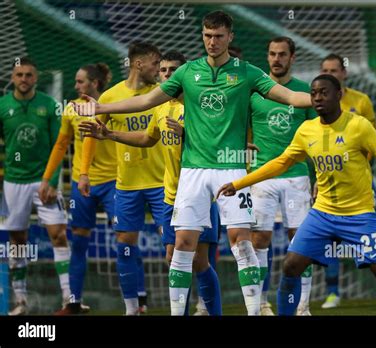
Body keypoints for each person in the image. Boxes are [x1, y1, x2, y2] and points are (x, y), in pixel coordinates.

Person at [74, 10, 312, 315]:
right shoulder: (187, 73)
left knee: (241, 241)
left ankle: (254, 311)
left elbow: (291, 97)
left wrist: (321, 100)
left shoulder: (247, 72)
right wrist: (101, 107)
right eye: (207, 36)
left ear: (230, 37)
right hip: (193, 172)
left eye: (218, 36)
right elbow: (147, 101)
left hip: (231, 169)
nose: (212, 42)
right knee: (183, 245)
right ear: (202, 36)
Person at [217, 74, 376, 316]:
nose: (318, 97)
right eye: (314, 93)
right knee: (291, 266)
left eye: (324, 92)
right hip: (323, 214)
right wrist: (240, 183)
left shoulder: (358, 126)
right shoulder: (307, 130)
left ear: (339, 95)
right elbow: (281, 163)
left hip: (360, 214)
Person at [79, 51, 223, 316]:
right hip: (171, 194)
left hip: (198, 193)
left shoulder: (202, 105)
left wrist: (188, 134)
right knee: (174, 258)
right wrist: (110, 134)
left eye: (173, 70)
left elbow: (217, 146)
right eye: (164, 70)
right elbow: (147, 139)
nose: (167, 74)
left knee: (199, 261)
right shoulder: (159, 105)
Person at [79, 42, 164, 315]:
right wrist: (84, 171)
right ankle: (132, 309)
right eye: (155, 64)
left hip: (163, 181)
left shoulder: (162, 93)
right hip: (127, 184)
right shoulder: (112, 96)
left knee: (176, 245)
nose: (159, 69)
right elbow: (96, 134)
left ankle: (184, 306)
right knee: (125, 245)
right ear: (139, 64)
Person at [40, 63, 116, 315]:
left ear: (94, 83)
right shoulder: (71, 109)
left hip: (113, 182)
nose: (76, 86)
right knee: (79, 242)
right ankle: (73, 303)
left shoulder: (113, 105)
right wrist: (46, 178)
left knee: (126, 238)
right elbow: (61, 145)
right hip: (81, 184)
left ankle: (137, 302)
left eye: (81, 81)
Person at [248, 36, 315, 316]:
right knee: (259, 240)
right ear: (267, 57)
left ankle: (302, 307)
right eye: (273, 54)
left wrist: (320, 180)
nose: (277, 59)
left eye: (282, 54)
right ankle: (261, 304)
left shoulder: (304, 92)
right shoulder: (254, 92)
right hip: (262, 176)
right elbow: (241, 129)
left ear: (292, 58)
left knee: (299, 241)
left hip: (297, 176)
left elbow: (317, 139)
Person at [0, 57, 70, 315]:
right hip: (13, 184)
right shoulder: (2, 106)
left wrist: (51, 182)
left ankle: (68, 298)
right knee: (17, 240)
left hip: (44, 181)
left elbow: (59, 145)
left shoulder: (49, 105)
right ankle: (21, 301)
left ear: (36, 78)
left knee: (59, 234)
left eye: (29, 75)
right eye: (19, 75)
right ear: (12, 77)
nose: (24, 79)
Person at [319, 53, 376, 309]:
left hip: (360, 182)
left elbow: (373, 142)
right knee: (329, 239)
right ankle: (333, 292)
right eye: (325, 70)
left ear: (344, 74)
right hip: (330, 182)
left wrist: (361, 170)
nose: (330, 74)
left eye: (334, 70)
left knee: (375, 234)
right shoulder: (317, 102)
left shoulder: (361, 101)